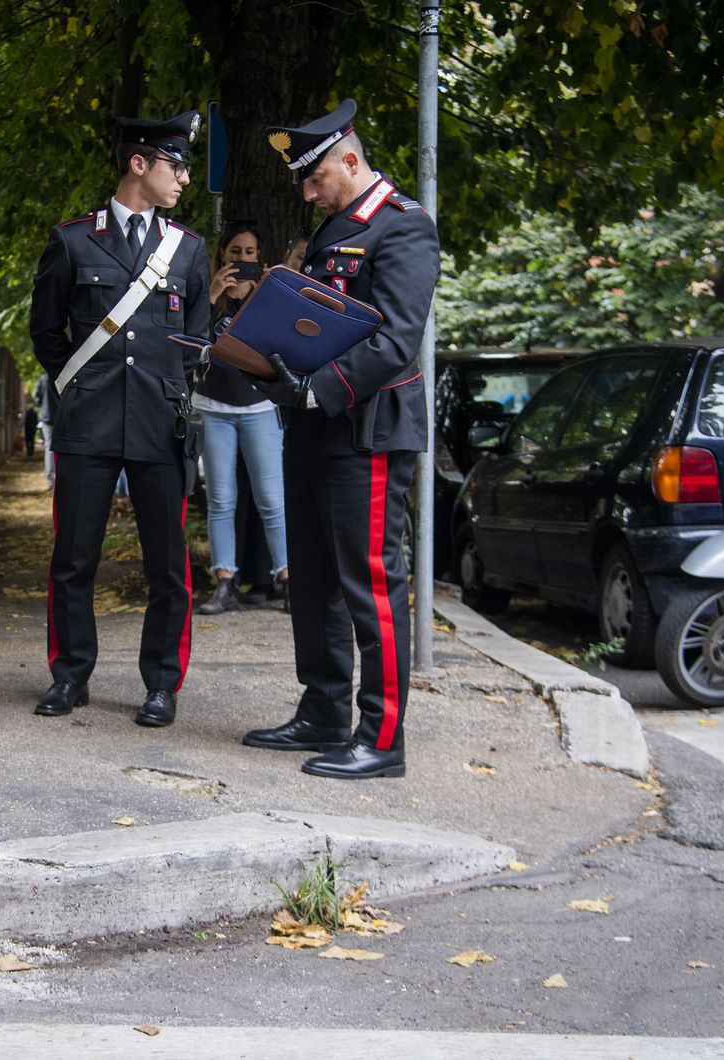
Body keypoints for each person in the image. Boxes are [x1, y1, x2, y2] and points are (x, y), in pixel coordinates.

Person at [241, 99, 440, 779]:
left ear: (349, 160)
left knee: (371, 584)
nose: (307, 191)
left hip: (368, 431)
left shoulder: (405, 229)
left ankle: (382, 739)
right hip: (314, 427)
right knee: (316, 579)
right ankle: (324, 709)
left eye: (315, 177)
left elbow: (394, 340)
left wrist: (317, 387)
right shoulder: (331, 231)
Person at [28, 109, 212, 728]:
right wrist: (80, 386)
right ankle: (70, 675)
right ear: (140, 164)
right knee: (74, 558)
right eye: (175, 165)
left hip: (162, 425)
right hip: (89, 425)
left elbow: (195, 337)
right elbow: (46, 331)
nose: (184, 177)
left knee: (167, 565)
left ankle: (162, 685)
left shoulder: (187, 250)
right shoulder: (74, 240)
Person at [194, 224, 288, 615]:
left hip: (259, 407)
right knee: (221, 500)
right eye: (236, 251)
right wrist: (213, 292)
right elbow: (187, 337)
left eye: (250, 252)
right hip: (213, 407)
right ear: (223, 255)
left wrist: (265, 292)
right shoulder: (207, 296)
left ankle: (287, 579)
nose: (243, 259)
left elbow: (284, 344)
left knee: (271, 499)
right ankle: (225, 583)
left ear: (259, 258)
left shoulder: (269, 298)